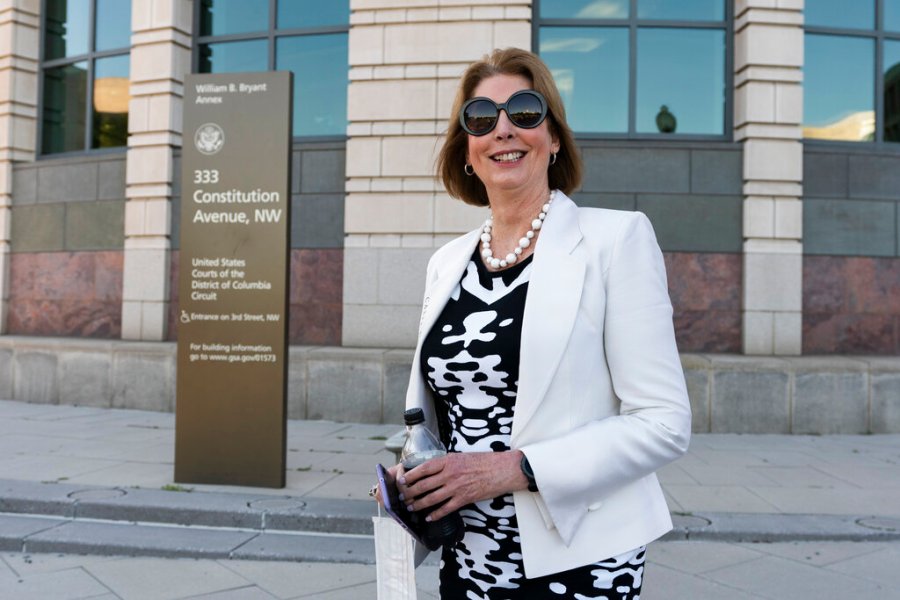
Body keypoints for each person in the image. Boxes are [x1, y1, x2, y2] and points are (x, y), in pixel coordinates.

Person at [375, 47, 692, 599]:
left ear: (553, 141)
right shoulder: (446, 263)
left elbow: (663, 422)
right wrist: (413, 472)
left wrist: (513, 468)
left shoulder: (615, 242)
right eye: (480, 117)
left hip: (578, 560)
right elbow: (445, 411)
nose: (503, 129)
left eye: (524, 112)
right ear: (467, 151)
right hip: (467, 559)